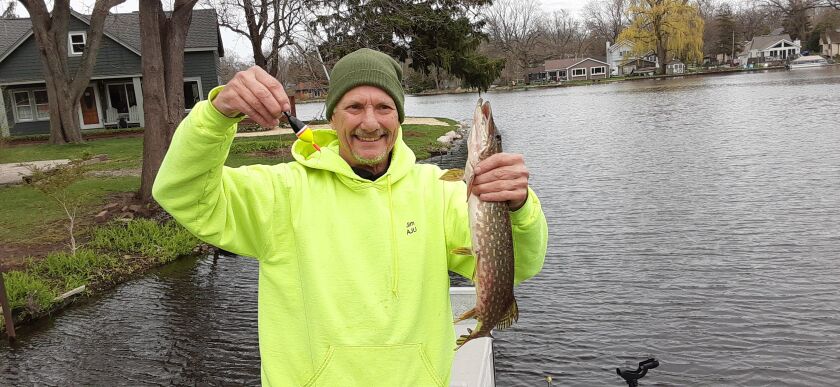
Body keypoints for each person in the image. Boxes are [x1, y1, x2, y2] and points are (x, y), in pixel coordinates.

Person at [153, 48, 547, 386]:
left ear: (400, 118)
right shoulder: (279, 193)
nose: (371, 122)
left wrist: (517, 207)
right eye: (354, 107)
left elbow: (518, 268)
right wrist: (216, 118)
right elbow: (181, 193)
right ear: (332, 118)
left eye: (384, 107)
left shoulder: (441, 191)